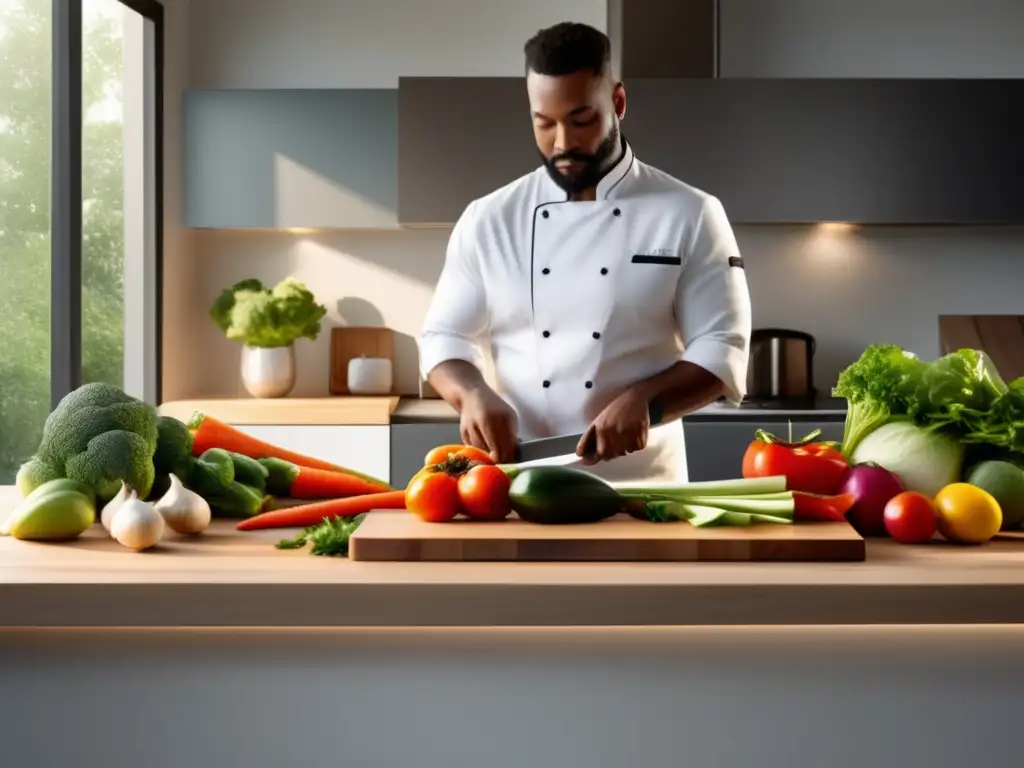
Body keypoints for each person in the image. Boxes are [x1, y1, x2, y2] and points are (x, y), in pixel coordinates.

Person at [418, 21, 752, 483]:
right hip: (520, 482)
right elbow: (444, 337)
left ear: (617, 102)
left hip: (644, 490)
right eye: (544, 124)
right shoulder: (489, 219)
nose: (563, 144)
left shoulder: (690, 213)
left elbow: (721, 347)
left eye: (581, 121)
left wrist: (646, 402)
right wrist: (472, 393)